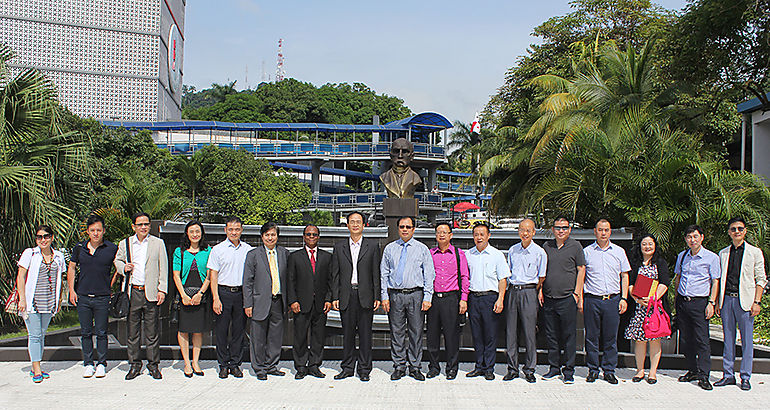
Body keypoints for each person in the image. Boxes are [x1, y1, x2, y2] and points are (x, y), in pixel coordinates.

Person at [114, 212, 168, 380]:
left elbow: (163, 267)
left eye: (146, 224)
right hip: (133, 292)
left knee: (152, 332)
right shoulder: (126, 243)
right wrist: (124, 268)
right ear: (134, 227)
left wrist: (162, 289)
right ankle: (135, 364)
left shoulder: (158, 243)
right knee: (133, 332)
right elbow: (117, 260)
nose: (143, 227)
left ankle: (153, 365)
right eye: (140, 224)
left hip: (151, 291)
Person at [381, 216, 435, 381]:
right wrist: (384, 296)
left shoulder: (422, 249)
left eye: (408, 227)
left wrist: (427, 297)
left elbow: (429, 274)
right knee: (396, 332)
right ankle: (399, 366)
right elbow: (383, 274)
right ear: (398, 229)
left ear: (413, 229)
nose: (405, 229)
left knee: (416, 332)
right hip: (395, 295)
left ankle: (415, 367)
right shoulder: (390, 249)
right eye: (402, 227)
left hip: (415, 295)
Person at [715, 216, 767, 391]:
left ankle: (745, 376)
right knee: (728, 339)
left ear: (744, 231)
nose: (736, 231)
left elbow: (761, 279)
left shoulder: (755, 252)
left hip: (745, 301)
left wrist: (757, 301)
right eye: (733, 229)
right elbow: (719, 279)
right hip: (727, 300)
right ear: (729, 232)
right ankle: (728, 375)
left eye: (739, 228)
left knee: (746, 341)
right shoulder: (723, 253)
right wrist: (716, 302)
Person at [331, 211, 381, 382]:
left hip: (365, 295)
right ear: (347, 225)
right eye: (352, 222)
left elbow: (376, 272)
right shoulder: (339, 247)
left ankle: (365, 369)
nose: (355, 225)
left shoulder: (373, 246)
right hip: (346, 295)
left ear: (364, 225)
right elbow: (335, 274)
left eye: (358, 222)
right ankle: (347, 368)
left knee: (366, 334)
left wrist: (377, 296)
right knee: (348, 334)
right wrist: (335, 296)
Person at [67, 214, 118, 379]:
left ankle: (102, 363)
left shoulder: (111, 248)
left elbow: (118, 267)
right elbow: (72, 268)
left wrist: (110, 284)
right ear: (88, 232)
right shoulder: (79, 248)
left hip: (102, 297)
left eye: (99, 230)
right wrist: (71, 290)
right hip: (83, 296)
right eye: (92, 230)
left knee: (102, 332)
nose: (96, 233)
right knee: (86, 332)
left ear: (104, 231)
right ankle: (88, 363)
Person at [582, 219, 630, 385]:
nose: (603, 233)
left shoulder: (619, 252)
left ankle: (609, 370)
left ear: (610, 232)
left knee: (610, 337)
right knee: (591, 337)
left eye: (606, 230)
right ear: (595, 231)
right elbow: (582, 276)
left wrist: (624, 298)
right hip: (592, 299)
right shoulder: (587, 252)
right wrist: (580, 298)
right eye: (600, 230)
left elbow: (624, 275)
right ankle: (593, 370)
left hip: (612, 300)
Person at [16, 225, 67, 383]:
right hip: (32, 302)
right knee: (35, 335)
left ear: (52, 237)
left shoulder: (58, 256)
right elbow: (20, 277)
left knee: (41, 334)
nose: (43, 240)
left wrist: (59, 300)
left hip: (49, 302)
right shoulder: (30, 253)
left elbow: (61, 279)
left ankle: (35, 365)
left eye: (46, 236)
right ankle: (36, 368)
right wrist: (22, 299)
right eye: (39, 237)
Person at [674, 224, 720, 390]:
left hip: (700, 302)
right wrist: (676, 300)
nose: (692, 240)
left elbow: (715, 281)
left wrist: (712, 302)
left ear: (701, 237)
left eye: (695, 236)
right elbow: (678, 277)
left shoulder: (711, 258)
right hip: (683, 302)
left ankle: (704, 375)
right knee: (685, 339)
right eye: (689, 237)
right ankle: (692, 370)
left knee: (702, 340)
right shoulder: (682, 255)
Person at [541, 215, 585, 384]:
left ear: (570, 229)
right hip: (549, 297)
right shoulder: (547, 246)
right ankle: (553, 368)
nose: (561, 231)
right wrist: (540, 291)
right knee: (551, 335)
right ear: (553, 229)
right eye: (558, 228)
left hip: (568, 298)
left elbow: (581, 270)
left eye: (565, 228)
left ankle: (568, 371)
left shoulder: (575, 246)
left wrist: (576, 294)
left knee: (568, 336)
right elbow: (542, 271)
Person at [207, 216, 253, 379]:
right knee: (221, 331)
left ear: (241, 230)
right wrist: (215, 298)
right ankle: (223, 364)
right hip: (223, 293)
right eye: (231, 229)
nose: (234, 232)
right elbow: (213, 275)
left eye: (237, 229)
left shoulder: (248, 249)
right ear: (225, 230)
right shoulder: (217, 250)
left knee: (238, 331)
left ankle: (235, 364)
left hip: (241, 294)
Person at [243, 222, 289, 380]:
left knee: (275, 336)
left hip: (279, 301)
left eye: (273, 235)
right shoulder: (253, 254)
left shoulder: (284, 253)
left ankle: (272, 365)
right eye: (267, 235)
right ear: (262, 237)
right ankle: (259, 367)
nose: (270, 238)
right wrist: (248, 304)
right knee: (258, 337)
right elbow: (247, 281)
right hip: (259, 302)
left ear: (277, 236)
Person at [465, 222, 510, 381]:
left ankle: (489, 368)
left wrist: (500, 299)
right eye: (476, 234)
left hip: (491, 298)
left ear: (488, 236)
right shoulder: (468, 255)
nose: (479, 237)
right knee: (477, 334)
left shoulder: (497, 255)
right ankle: (479, 366)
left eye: (482, 234)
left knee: (490, 335)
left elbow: (503, 279)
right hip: (474, 298)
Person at [287, 225, 333, 379]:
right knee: (300, 336)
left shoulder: (327, 257)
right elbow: (290, 281)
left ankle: (314, 365)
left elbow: (330, 281)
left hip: (320, 304)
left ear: (319, 237)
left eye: (314, 234)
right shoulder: (295, 257)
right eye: (308, 234)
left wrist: (328, 299)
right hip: (301, 304)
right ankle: (300, 367)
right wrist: (293, 301)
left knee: (318, 337)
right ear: (303, 236)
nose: (311, 237)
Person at [504, 218, 546, 383]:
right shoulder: (513, 250)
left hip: (529, 291)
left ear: (534, 232)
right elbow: (509, 272)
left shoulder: (539, 252)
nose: (525, 233)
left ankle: (529, 369)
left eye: (528, 230)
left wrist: (534, 291)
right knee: (511, 332)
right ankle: (512, 368)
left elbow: (541, 277)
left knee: (529, 333)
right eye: (522, 230)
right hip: (513, 292)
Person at [624, 234, 670, 384]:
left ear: (655, 246)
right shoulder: (635, 263)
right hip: (638, 307)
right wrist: (636, 298)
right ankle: (640, 371)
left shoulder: (660, 263)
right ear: (640, 246)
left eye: (650, 244)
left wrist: (653, 298)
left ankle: (653, 372)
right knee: (640, 340)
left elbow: (664, 283)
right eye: (644, 244)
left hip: (654, 307)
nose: (647, 247)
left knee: (655, 339)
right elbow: (630, 283)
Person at [426, 222, 469, 380]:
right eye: (439, 232)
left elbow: (464, 277)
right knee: (432, 335)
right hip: (433, 299)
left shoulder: (458, 254)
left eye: (445, 232)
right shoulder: (429, 253)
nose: (441, 235)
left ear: (451, 235)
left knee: (452, 335)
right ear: (435, 235)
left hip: (451, 299)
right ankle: (434, 367)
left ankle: (452, 368)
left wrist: (463, 299)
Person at [171, 221, 211, 377]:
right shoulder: (179, 252)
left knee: (198, 330)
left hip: (201, 295)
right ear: (186, 233)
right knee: (183, 330)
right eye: (192, 231)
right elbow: (176, 275)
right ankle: (186, 363)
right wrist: (184, 296)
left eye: (198, 231)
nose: (195, 234)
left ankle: (196, 361)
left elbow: (210, 275)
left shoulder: (208, 251)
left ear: (202, 233)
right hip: (184, 294)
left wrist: (200, 294)